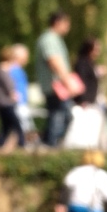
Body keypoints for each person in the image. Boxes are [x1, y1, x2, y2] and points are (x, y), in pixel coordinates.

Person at [35, 11, 76, 147]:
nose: (68, 27)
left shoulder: (53, 39)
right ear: (58, 22)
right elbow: (54, 61)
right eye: (67, 23)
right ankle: (51, 147)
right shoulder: (50, 39)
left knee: (59, 117)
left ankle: (49, 144)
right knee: (60, 118)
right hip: (56, 88)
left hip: (56, 87)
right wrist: (68, 82)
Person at [0, 46, 23, 150]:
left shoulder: (1, 70)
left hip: (2, 103)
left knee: (5, 128)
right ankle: (22, 145)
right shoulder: (3, 69)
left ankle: (0, 146)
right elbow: (9, 85)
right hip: (5, 103)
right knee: (16, 125)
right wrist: (14, 94)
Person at [8, 44, 36, 143]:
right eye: (25, 56)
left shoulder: (18, 70)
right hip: (18, 105)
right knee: (25, 129)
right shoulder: (12, 70)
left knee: (23, 130)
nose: (27, 59)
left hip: (22, 104)